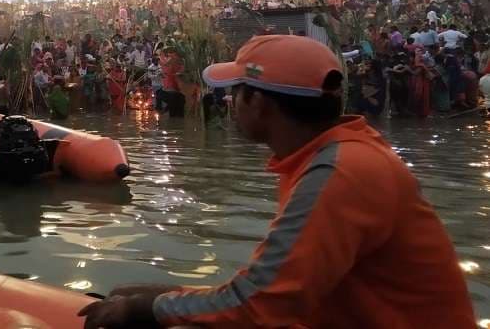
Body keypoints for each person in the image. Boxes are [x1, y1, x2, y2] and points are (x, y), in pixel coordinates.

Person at [79, 35, 474, 329]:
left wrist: (145, 308)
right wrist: (157, 296)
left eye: (235, 93)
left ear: (261, 104)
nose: (229, 104)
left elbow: (259, 304)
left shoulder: (339, 172)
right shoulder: (337, 155)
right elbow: (274, 289)